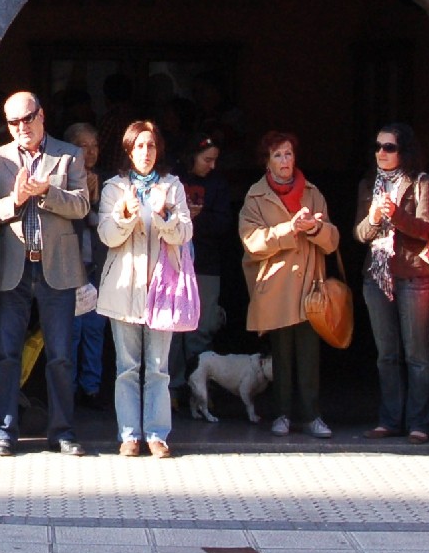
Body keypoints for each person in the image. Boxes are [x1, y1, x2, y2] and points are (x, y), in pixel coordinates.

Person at [0, 92, 91, 457]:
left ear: (42, 115)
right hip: (13, 268)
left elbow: (82, 206)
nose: (21, 128)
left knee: (60, 355)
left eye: (27, 119)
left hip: (56, 267)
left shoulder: (68, 154)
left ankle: (62, 432)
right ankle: (4, 431)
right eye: (13, 122)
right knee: (7, 353)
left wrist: (46, 192)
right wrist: (14, 200)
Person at [96, 121, 194, 458]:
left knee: (157, 367)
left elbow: (184, 234)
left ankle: (156, 434)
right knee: (127, 367)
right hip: (124, 289)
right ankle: (129, 435)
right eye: (139, 146)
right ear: (128, 151)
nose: (145, 153)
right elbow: (107, 236)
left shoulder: (172, 186)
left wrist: (164, 212)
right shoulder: (114, 187)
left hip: (162, 290)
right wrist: (125, 216)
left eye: (151, 146)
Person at [239, 131, 339, 439]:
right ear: (267, 161)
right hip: (276, 287)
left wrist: (314, 228)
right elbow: (251, 241)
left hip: (310, 287)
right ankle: (280, 413)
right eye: (278, 155)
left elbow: (333, 240)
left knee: (309, 353)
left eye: (289, 154)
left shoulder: (312, 191)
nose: (285, 161)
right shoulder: (255, 195)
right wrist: (288, 229)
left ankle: (311, 415)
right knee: (280, 355)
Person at [354, 123, 429, 443]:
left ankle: (419, 421)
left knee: (416, 353)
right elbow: (360, 235)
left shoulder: (422, 183)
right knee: (386, 354)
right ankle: (390, 419)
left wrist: (396, 215)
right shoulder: (368, 184)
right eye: (378, 146)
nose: (381, 153)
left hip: (412, 275)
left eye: (389, 147)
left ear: (403, 150)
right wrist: (375, 218)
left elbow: (428, 229)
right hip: (376, 277)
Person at [170, 135, 232, 401]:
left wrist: (197, 219)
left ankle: (200, 393)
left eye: (216, 160)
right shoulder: (172, 178)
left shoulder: (218, 184)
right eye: (207, 159)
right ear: (191, 156)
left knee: (202, 327)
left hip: (206, 264)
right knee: (170, 328)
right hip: (171, 263)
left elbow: (223, 224)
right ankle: (172, 389)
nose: (212, 165)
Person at [62, 122, 108, 408]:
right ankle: (67, 388)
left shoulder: (108, 181)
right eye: (83, 146)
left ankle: (91, 388)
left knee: (95, 330)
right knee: (71, 332)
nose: (90, 153)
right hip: (70, 267)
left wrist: (97, 198)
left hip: (98, 267)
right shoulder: (62, 180)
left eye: (94, 146)